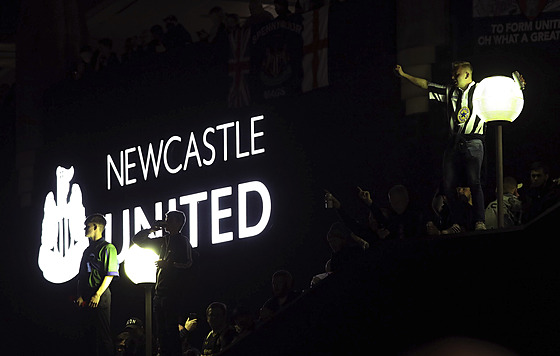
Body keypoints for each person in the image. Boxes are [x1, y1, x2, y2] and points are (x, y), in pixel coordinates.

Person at [395, 61, 489, 231]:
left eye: (457, 74)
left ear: (467, 74)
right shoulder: (450, 90)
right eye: (453, 74)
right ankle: (457, 222)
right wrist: (404, 75)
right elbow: (426, 85)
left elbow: (505, 91)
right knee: (448, 184)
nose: (453, 77)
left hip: (473, 140)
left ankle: (479, 221)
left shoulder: (481, 90)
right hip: (453, 142)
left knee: (474, 182)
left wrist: (519, 84)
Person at [132, 210, 193, 356]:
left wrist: (169, 265)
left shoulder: (182, 240)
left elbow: (188, 263)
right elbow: (137, 240)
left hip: (172, 293)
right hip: (159, 294)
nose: (165, 222)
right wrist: (151, 230)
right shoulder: (163, 240)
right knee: (161, 332)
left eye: (169, 219)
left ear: (178, 223)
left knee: (170, 331)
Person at [77, 213, 119, 356]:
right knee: (88, 335)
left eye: (87, 226)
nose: (85, 229)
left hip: (100, 295)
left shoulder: (108, 248)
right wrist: (80, 295)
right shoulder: (87, 251)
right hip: (88, 295)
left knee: (102, 334)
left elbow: (110, 274)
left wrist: (97, 294)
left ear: (95, 227)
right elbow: (81, 276)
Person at [358, 185, 425, 239]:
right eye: (392, 203)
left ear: (406, 199)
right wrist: (369, 202)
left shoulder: (417, 217)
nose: (394, 206)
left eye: (397, 202)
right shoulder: (395, 217)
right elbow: (382, 219)